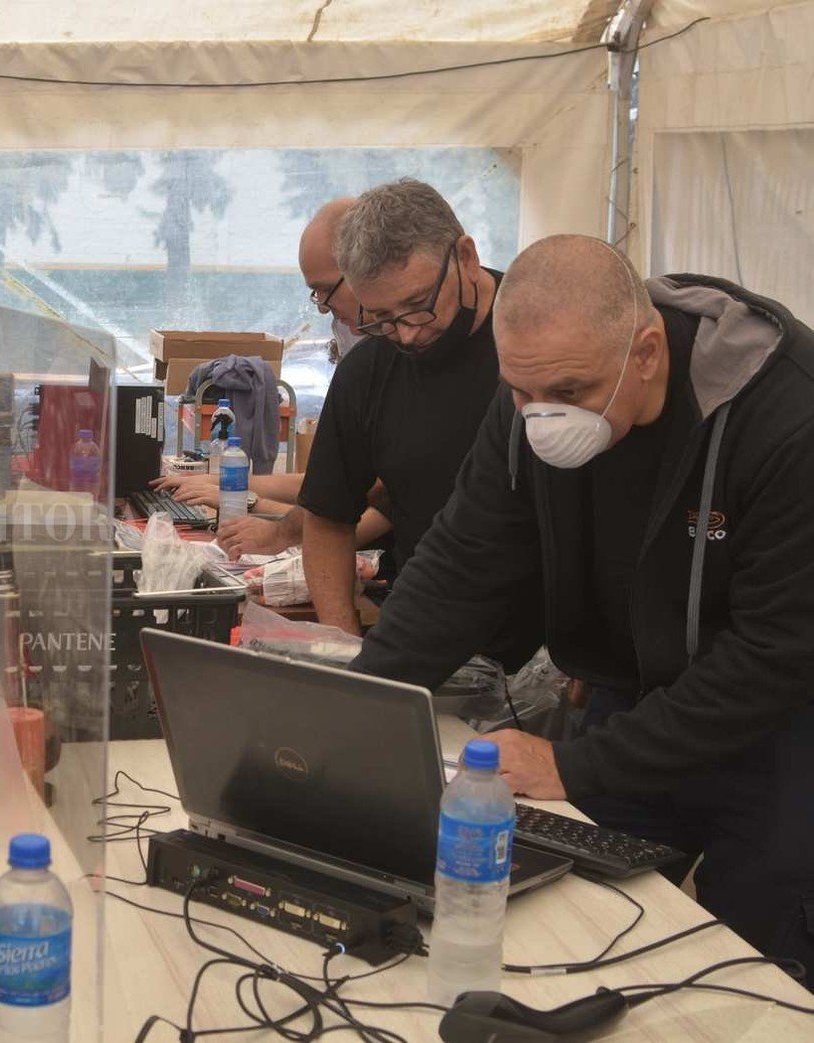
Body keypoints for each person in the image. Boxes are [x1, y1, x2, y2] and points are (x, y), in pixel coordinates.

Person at [353, 234, 814, 966]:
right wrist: (357, 706)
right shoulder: (535, 388)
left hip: (779, 729)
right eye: (519, 392)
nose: (540, 416)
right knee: (577, 928)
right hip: (626, 697)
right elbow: (460, 559)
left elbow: (776, 653)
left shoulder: (784, 413)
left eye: (568, 393)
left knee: (755, 966)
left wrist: (576, 767)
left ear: (647, 354)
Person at [292, 180, 537, 667]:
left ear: (465, 256)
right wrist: (342, 645)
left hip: (546, 651)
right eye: (380, 317)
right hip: (426, 646)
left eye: (420, 304)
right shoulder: (368, 369)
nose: (405, 332)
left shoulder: (538, 334)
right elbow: (327, 517)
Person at [166, 198, 392, 558]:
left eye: (325, 291)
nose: (322, 308)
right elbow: (330, 485)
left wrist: (253, 505)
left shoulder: (412, 373)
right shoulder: (374, 371)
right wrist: (226, 483)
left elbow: (367, 513)